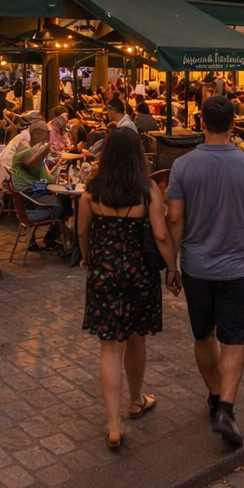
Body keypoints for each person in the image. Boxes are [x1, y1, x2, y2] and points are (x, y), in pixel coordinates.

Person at [165, 95, 244, 448]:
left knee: (203, 335)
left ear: (201, 123)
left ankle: (215, 395)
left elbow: (174, 219)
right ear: (233, 124)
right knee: (234, 339)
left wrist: (171, 265)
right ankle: (226, 405)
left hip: (197, 267)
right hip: (237, 268)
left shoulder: (183, 166)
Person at [76, 129, 175, 450]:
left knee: (110, 348)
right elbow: (160, 235)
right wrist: (173, 267)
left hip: (104, 271)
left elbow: (81, 231)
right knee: (136, 337)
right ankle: (135, 400)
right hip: (139, 273)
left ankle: (114, 426)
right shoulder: (147, 190)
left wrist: (88, 257)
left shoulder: (92, 190)